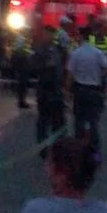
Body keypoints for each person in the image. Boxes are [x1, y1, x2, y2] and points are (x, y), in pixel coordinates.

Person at [67, 25, 107, 153]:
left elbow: (70, 75)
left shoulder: (75, 53)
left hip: (80, 90)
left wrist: (67, 91)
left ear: (81, 36)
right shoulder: (97, 53)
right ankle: (94, 151)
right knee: (93, 121)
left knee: (78, 121)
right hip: (94, 90)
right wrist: (99, 75)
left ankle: (78, 149)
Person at [34, 25, 67, 157]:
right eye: (47, 34)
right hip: (45, 90)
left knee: (58, 121)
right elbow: (34, 66)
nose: (49, 36)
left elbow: (63, 65)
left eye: (51, 34)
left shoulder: (57, 49)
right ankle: (43, 148)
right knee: (43, 121)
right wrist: (45, 66)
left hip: (56, 90)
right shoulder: (40, 50)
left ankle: (57, 147)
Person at [12, 31, 33, 109]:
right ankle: (22, 101)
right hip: (22, 65)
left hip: (22, 64)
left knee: (23, 84)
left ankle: (22, 101)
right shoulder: (21, 39)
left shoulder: (21, 39)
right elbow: (20, 52)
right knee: (22, 84)